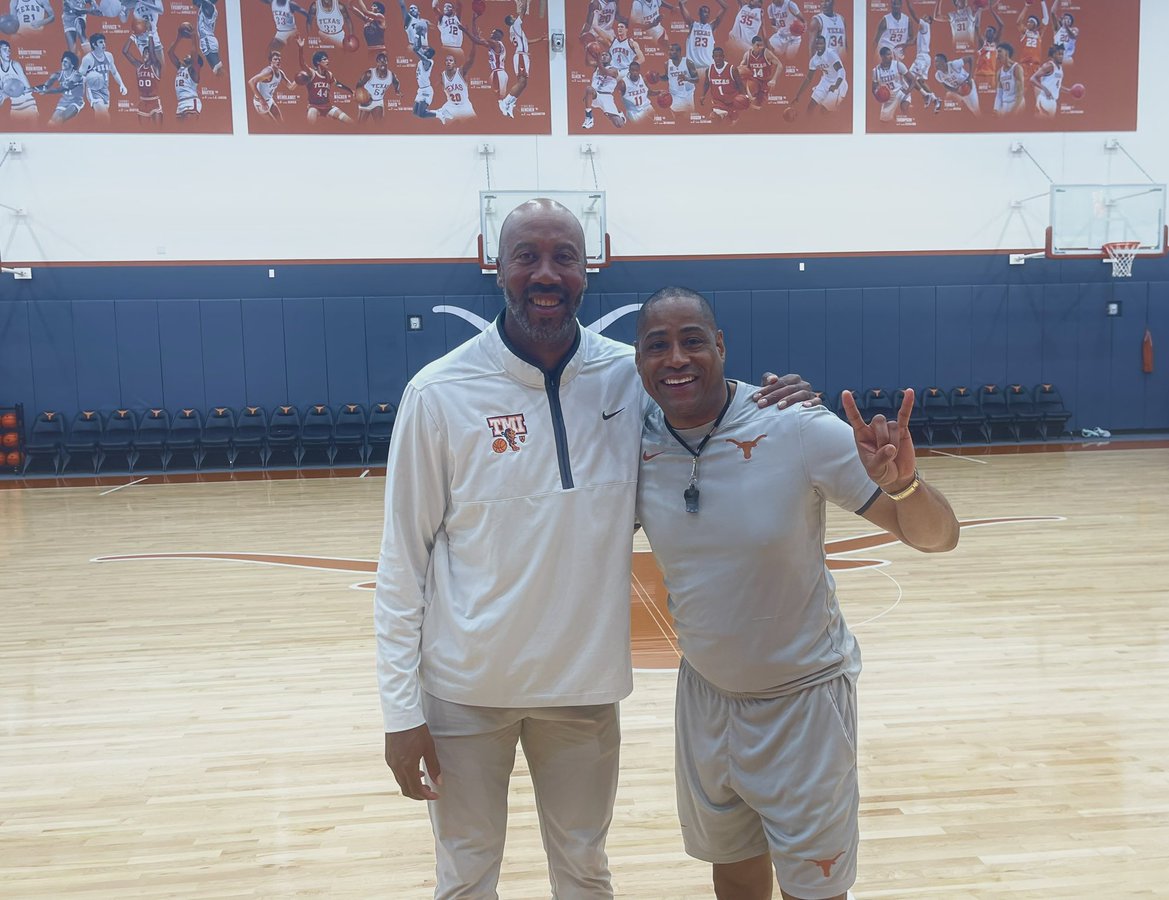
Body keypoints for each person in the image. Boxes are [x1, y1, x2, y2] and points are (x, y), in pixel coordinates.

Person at [375, 199, 816, 900]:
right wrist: (401, 715)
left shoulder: (629, 377)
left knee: (584, 869)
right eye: (527, 256)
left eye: (563, 257)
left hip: (582, 688)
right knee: (464, 873)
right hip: (464, 690)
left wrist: (781, 401)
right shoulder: (438, 394)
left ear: (587, 272)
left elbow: (710, 413)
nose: (545, 273)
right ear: (498, 268)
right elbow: (402, 567)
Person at [632, 286, 959, 900]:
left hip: (804, 703)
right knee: (732, 877)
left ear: (722, 347)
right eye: (658, 345)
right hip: (706, 697)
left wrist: (907, 485)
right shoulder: (634, 442)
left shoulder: (795, 425)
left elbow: (938, 539)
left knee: (816, 892)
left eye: (693, 340)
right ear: (639, 361)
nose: (676, 358)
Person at [787, 31, 844, 115]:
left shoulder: (830, 54)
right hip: (826, 80)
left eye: (821, 44)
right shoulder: (814, 60)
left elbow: (841, 71)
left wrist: (836, 85)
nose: (819, 46)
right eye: (817, 44)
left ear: (825, 44)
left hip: (839, 82)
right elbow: (808, 79)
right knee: (811, 106)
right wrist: (798, 95)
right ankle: (808, 125)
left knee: (824, 111)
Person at [79, 32, 127, 120]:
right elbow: (79, 77)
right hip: (94, 91)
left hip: (105, 90)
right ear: (94, 44)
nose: (104, 44)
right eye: (101, 42)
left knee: (101, 117)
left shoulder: (109, 56)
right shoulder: (88, 59)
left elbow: (114, 72)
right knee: (104, 116)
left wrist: (122, 84)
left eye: (104, 42)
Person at [122, 33, 162, 126]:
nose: (145, 54)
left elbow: (152, 53)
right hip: (143, 102)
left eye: (147, 53)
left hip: (154, 101)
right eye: (144, 52)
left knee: (158, 131)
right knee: (144, 132)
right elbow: (125, 51)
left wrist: (150, 34)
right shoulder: (139, 66)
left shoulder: (156, 66)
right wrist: (132, 35)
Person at [248, 47, 294, 121]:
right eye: (275, 59)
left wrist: (299, 80)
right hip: (260, 102)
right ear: (270, 61)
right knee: (273, 125)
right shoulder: (268, 72)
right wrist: (262, 100)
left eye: (279, 59)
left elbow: (291, 87)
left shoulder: (280, 73)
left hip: (269, 99)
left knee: (280, 122)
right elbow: (251, 82)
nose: (278, 61)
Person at [679, 0, 727, 70]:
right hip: (692, 67)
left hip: (707, 66)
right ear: (699, 13)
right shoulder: (693, 25)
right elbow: (681, 4)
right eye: (704, 11)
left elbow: (725, 7)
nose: (707, 14)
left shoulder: (711, 26)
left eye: (708, 12)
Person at [0, 38, 38, 121]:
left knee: (33, 131)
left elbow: (28, 88)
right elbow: (2, 92)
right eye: (4, 49)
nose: (8, 52)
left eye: (9, 50)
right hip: (15, 106)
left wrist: (7, 93)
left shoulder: (15, 65)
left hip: (28, 103)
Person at [355, 49, 399, 121]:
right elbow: (359, 84)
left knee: (379, 124)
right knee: (361, 124)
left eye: (384, 61)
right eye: (380, 61)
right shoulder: (369, 73)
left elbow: (396, 82)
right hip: (366, 101)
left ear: (387, 62)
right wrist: (360, 95)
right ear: (377, 63)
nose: (382, 63)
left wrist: (397, 91)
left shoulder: (391, 75)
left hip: (378, 101)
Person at [872, 44, 911, 123]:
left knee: (904, 110)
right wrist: (878, 95)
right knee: (884, 121)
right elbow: (873, 87)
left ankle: (909, 130)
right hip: (889, 96)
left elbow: (912, 80)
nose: (891, 56)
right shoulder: (876, 71)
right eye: (888, 54)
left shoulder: (898, 65)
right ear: (882, 56)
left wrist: (907, 91)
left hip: (901, 91)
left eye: (891, 54)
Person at [1029, 41, 1063, 118]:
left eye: (1062, 54)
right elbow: (1032, 79)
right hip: (1044, 100)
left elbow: (1057, 85)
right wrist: (1045, 90)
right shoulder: (1049, 65)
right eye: (1059, 54)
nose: (1061, 56)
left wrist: (1069, 90)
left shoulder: (1060, 68)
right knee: (1041, 125)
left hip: (1053, 101)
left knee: (1049, 126)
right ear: (1053, 55)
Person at [992, 40, 1023, 117]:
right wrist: (996, 109)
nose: (997, 54)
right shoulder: (999, 72)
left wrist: (1014, 111)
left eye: (999, 51)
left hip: (1016, 103)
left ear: (1007, 52)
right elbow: (999, 94)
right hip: (1005, 104)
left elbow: (1020, 93)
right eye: (996, 52)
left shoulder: (1016, 68)